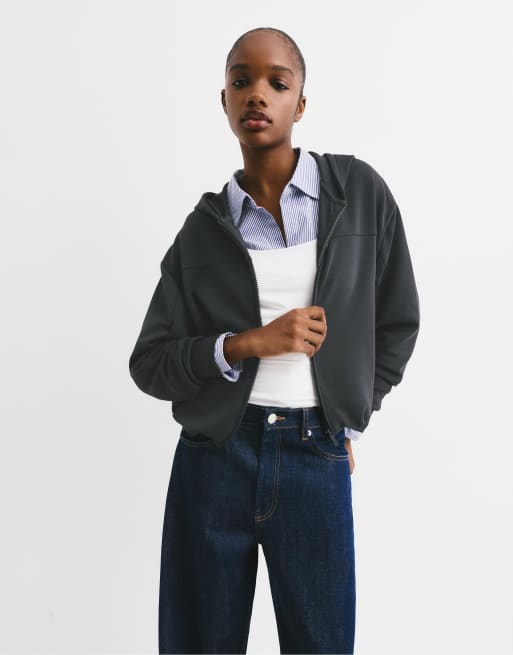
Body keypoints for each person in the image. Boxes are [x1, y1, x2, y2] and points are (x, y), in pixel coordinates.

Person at [129, 26, 420, 655]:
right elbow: (149, 363)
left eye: (276, 82)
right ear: (225, 101)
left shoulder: (358, 193)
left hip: (317, 455)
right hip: (214, 459)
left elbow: (398, 320)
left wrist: (350, 413)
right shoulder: (203, 230)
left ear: (301, 103)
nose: (256, 94)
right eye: (241, 81)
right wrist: (243, 344)